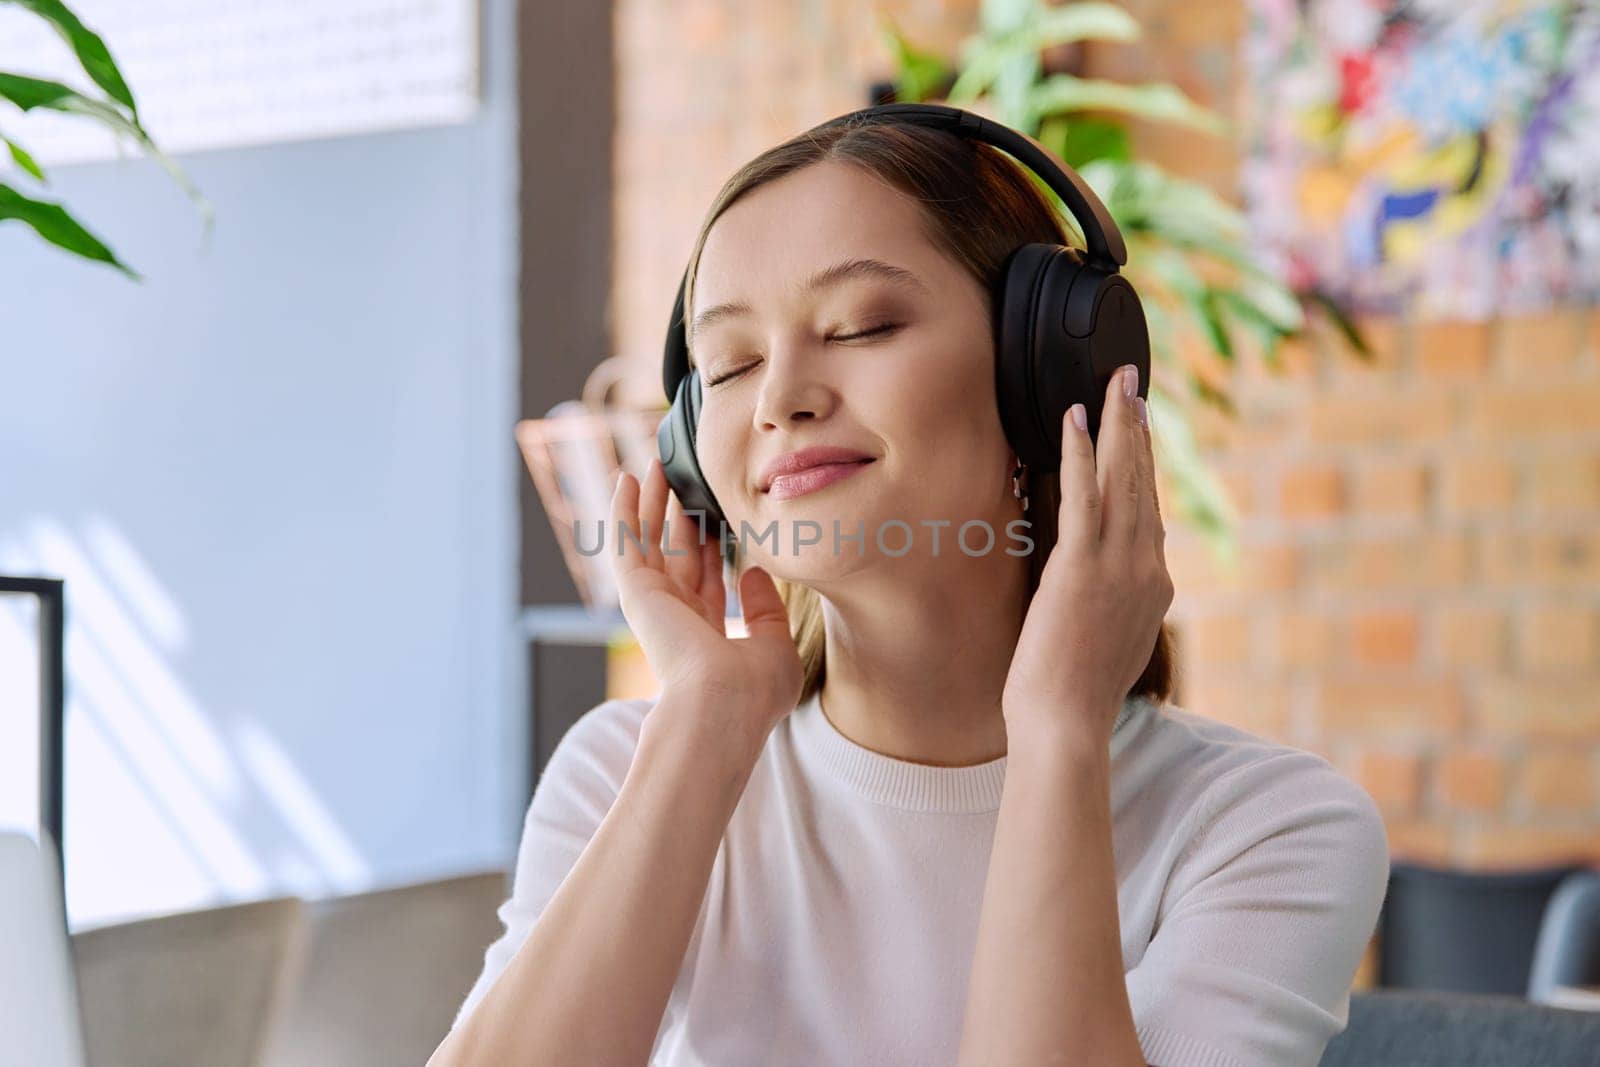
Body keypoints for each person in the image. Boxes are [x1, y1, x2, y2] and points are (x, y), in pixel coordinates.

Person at [430, 115, 1390, 1067]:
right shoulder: (625, 770)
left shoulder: (1263, 826)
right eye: (730, 365)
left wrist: (1057, 729)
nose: (779, 399)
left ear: (1045, 370)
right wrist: (705, 726)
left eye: (863, 326)